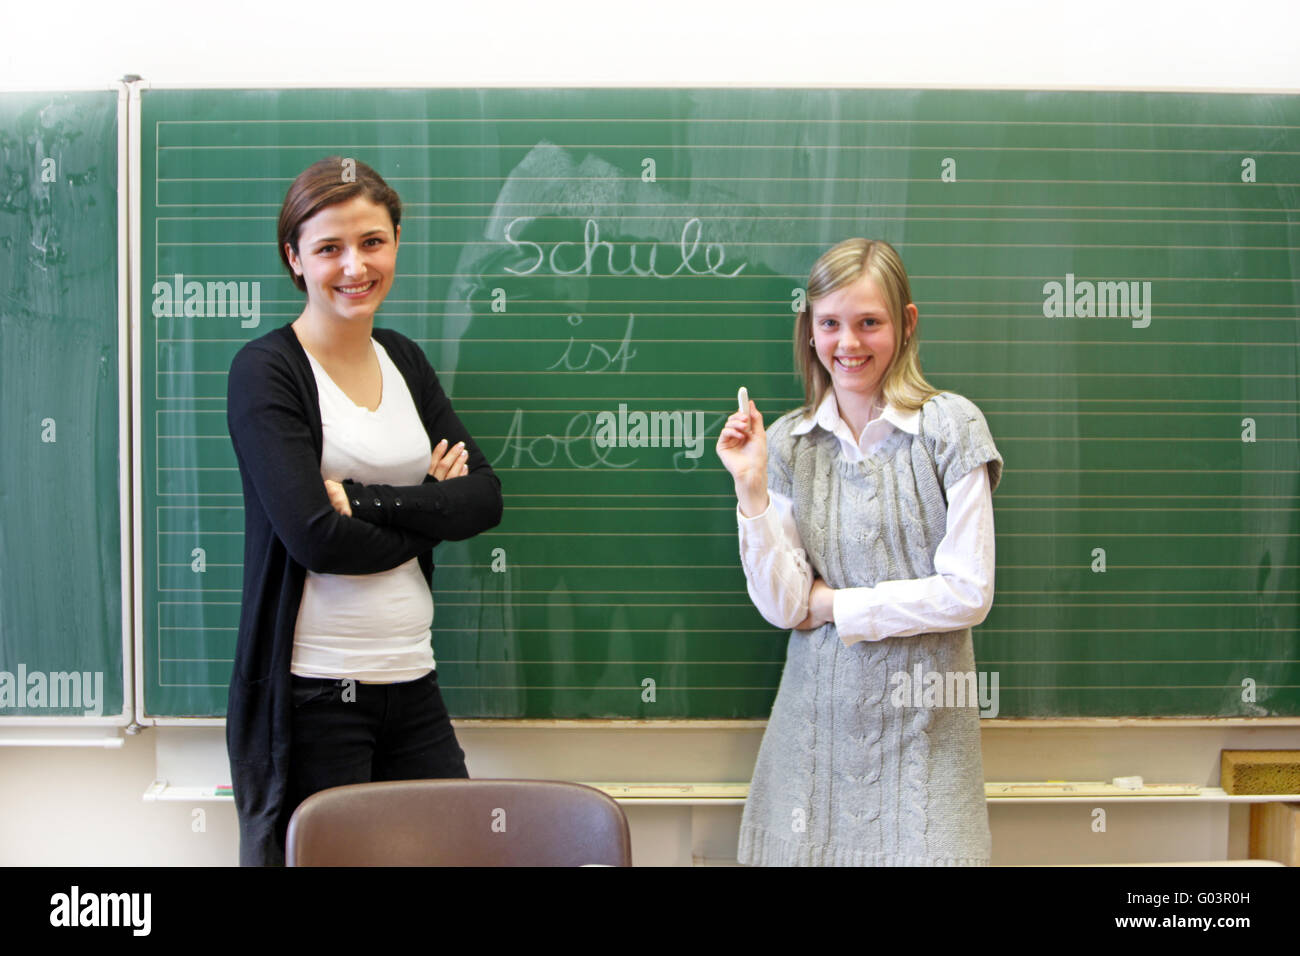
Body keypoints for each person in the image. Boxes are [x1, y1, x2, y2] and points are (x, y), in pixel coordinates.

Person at [225, 157, 502, 866]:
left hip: (413, 682)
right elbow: (317, 540)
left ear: (397, 241)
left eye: (373, 241)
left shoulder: (404, 359)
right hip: (314, 699)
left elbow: (485, 498)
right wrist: (432, 509)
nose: (355, 265)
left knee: (459, 857)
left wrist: (369, 501)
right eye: (329, 248)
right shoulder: (267, 371)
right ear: (294, 258)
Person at [716, 238, 1002, 866]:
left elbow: (968, 591)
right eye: (831, 324)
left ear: (906, 323)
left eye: (869, 322)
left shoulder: (950, 428)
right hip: (810, 756)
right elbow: (787, 606)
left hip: (927, 763)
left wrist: (838, 607)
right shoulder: (789, 443)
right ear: (810, 330)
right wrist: (753, 487)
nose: (849, 343)